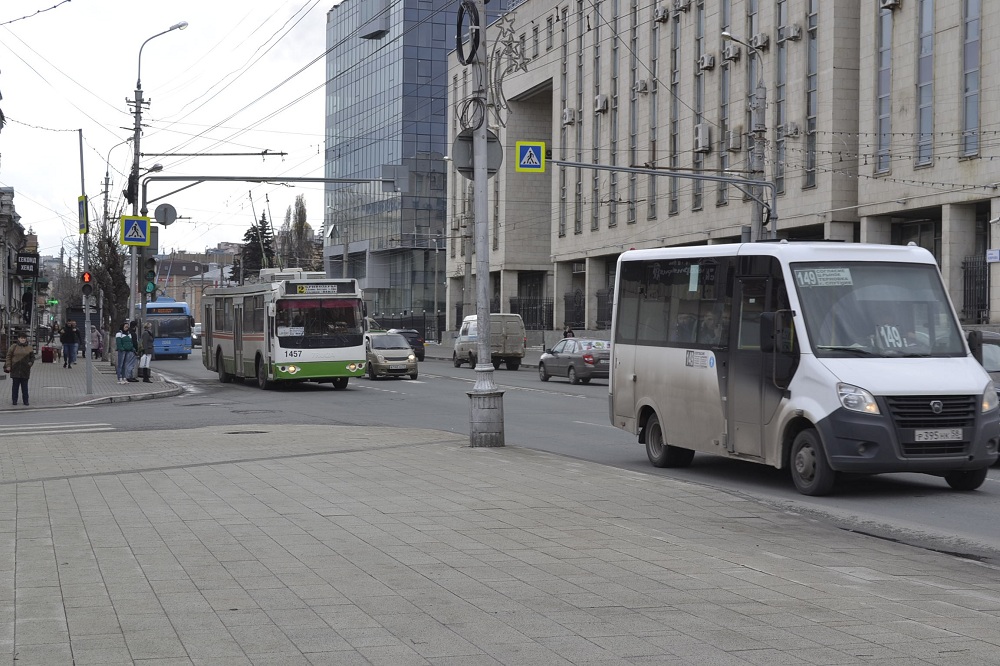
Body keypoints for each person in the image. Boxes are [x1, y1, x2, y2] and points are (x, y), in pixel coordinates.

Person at [4, 330, 35, 406]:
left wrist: (30, 364)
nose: (23, 339)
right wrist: (8, 365)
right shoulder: (13, 347)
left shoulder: (29, 348)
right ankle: (14, 401)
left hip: (25, 370)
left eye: (24, 338)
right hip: (15, 369)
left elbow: (32, 358)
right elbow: (8, 356)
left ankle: (26, 401)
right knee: (15, 387)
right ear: (18, 339)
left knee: (25, 387)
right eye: (21, 338)